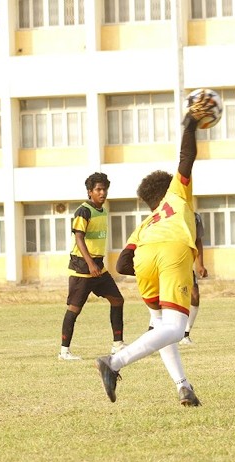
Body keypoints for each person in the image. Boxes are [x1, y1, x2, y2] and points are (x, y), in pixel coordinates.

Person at [95, 100, 216, 407]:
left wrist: (153, 271)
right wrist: (190, 124)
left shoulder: (146, 222)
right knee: (176, 328)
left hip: (145, 257)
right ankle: (115, 363)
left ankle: (183, 386)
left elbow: (123, 263)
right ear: (167, 189)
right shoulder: (176, 194)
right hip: (172, 251)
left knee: (162, 325)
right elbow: (186, 158)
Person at [58, 172, 125, 361]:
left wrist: (96, 264)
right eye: (98, 189)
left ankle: (118, 345)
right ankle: (64, 352)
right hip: (82, 267)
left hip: (98, 267)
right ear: (90, 192)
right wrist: (89, 264)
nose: (102, 193)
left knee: (117, 300)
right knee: (74, 309)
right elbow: (78, 237)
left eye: (104, 189)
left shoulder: (103, 210)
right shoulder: (83, 211)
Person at [180, 212, 208, 345]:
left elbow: (198, 241)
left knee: (195, 296)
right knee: (165, 298)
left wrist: (200, 264)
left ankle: (185, 335)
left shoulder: (195, 217)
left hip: (186, 264)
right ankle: (153, 330)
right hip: (168, 264)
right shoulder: (169, 212)